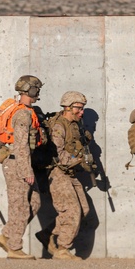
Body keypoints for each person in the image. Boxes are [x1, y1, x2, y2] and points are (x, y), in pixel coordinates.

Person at [0, 75, 47, 260]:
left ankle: (7, 235)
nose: (38, 92)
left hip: (16, 161)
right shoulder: (23, 113)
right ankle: (14, 247)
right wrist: (26, 171)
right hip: (18, 162)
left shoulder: (15, 108)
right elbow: (21, 144)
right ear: (31, 90)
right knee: (20, 206)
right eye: (36, 89)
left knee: (35, 202)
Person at [41, 91, 93, 260]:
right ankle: (63, 248)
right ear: (68, 107)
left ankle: (47, 234)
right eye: (79, 108)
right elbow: (58, 153)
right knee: (72, 210)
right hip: (58, 172)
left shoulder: (75, 125)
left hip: (70, 172)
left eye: (82, 108)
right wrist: (79, 159)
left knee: (83, 210)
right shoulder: (58, 126)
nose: (81, 112)